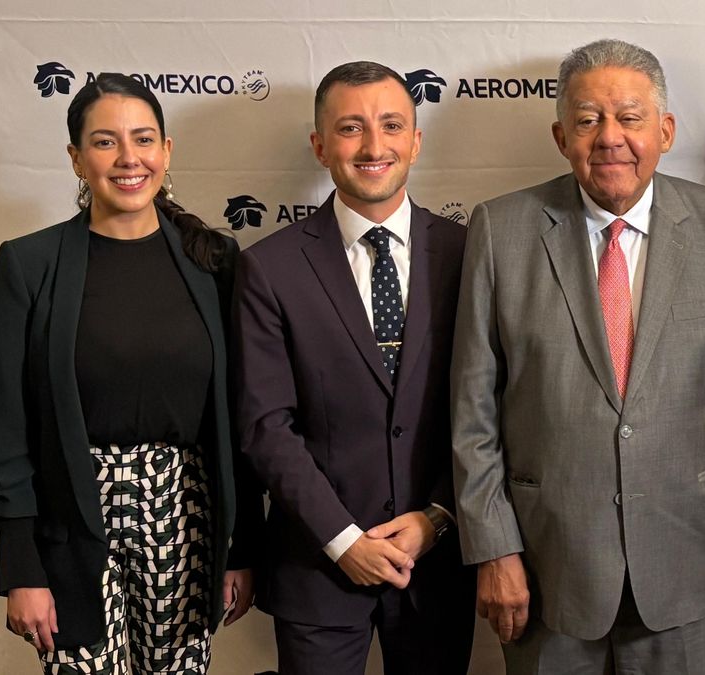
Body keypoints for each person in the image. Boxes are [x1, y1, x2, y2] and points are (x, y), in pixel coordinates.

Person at [451, 38, 705, 674]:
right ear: (560, 134)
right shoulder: (501, 231)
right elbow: (473, 410)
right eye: (588, 119)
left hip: (689, 564)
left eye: (629, 117)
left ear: (665, 129)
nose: (610, 138)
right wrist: (494, 549)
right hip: (547, 573)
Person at [0, 72, 261, 674]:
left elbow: (239, 421)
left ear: (167, 151)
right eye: (104, 142)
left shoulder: (215, 261)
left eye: (144, 139)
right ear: (76, 158)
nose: (129, 158)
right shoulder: (28, 264)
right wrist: (20, 568)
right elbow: (1, 430)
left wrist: (242, 546)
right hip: (72, 526)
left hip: (189, 523)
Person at [233, 61, 474, 675]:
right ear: (319, 145)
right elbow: (266, 426)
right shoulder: (269, 268)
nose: (373, 145)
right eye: (350, 128)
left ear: (415, 140)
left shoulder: (468, 253)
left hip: (438, 566)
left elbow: (489, 406)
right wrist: (344, 541)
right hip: (318, 570)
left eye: (391, 125)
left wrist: (438, 518)